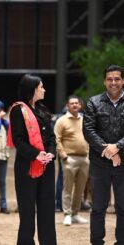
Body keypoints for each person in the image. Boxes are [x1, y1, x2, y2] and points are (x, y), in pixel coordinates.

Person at [8, 74, 57, 244]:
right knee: (27, 213)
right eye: (41, 86)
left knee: (47, 210)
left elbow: (51, 136)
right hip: (26, 166)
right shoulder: (17, 110)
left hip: (46, 165)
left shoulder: (43, 109)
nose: (44, 89)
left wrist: (50, 153)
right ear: (33, 89)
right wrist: (36, 154)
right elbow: (18, 140)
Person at [83, 65, 124, 245]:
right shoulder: (93, 102)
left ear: (123, 81)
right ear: (104, 81)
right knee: (98, 207)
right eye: (109, 79)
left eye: (117, 79)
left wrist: (118, 147)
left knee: (123, 207)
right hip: (100, 163)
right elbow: (88, 130)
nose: (113, 82)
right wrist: (109, 152)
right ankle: (97, 241)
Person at [54, 95, 90, 226]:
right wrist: (64, 156)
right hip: (69, 158)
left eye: (77, 103)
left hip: (84, 158)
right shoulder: (62, 121)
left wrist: (89, 155)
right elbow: (57, 139)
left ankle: (75, 214)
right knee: (67, 188)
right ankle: (67, 214)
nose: (75, 105)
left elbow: (91, 137)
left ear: (80, 105)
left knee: (80, 189)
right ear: (67, 106)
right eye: (72, 103)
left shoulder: (85, 120)